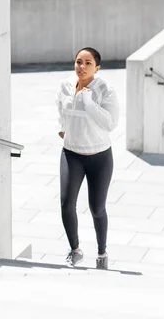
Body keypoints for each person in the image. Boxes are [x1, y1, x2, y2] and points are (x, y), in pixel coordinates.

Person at [55, 47, 120, 270]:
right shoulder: (65, 86)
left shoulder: (106, 90)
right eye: (78, 62)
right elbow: (62, 112)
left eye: (88, 63)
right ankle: (75, 250)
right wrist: (64, 128)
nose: (82, 67)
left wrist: (89, 103)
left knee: (97, 208)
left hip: (99, 157)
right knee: (66, 204)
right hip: (71, 154)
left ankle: (102, 252)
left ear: (97, 67)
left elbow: (110, 124)